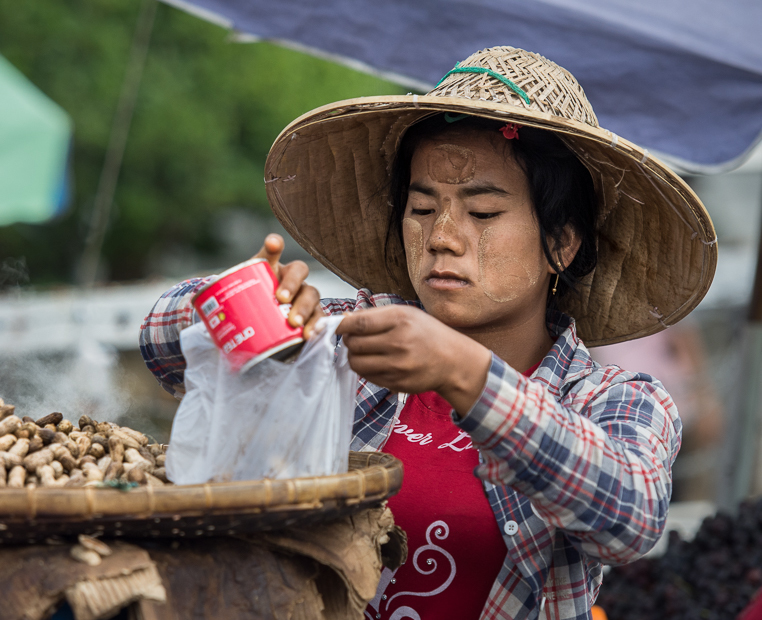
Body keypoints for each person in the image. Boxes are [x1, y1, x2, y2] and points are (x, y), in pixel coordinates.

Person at [140, 47, 717, 619]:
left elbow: (630, 518)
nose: (442, 236)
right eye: (421, 209)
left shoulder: (611, 399)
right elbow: (161, 345)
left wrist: (463, 373)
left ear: (561, 244)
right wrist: (252, 307)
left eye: (483, 213)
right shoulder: (349, 342)